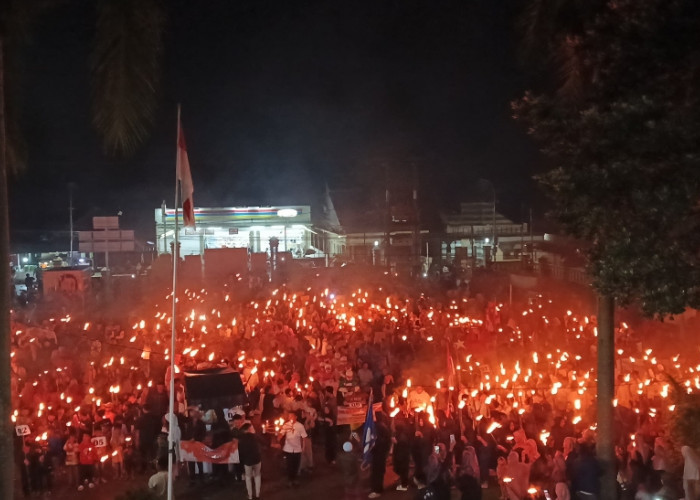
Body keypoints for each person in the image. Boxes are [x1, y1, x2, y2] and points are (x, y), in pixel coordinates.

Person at [279, 410, 307, 487]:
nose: (290, 417)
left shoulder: (300, 426)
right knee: (289, 465)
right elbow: (280, 435)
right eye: (289, 416)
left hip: (297, 449)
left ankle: (294, 479)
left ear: (296, 417)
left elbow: (304, 437)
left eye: (291, 416)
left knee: (296, 465)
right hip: (288, 449)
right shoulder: (286, 425)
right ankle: (290, 479)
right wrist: (278, 434)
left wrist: (303, 447)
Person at [238, 423, 262, 500]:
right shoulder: (255, 436)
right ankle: (257, 494)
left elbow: (240, 451)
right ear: (248, 429)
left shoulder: (241, 439)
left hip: (247, 461)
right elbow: (264, 442)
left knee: (248, 477)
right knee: (257, 476)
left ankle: (250, 496)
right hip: (257, 459)